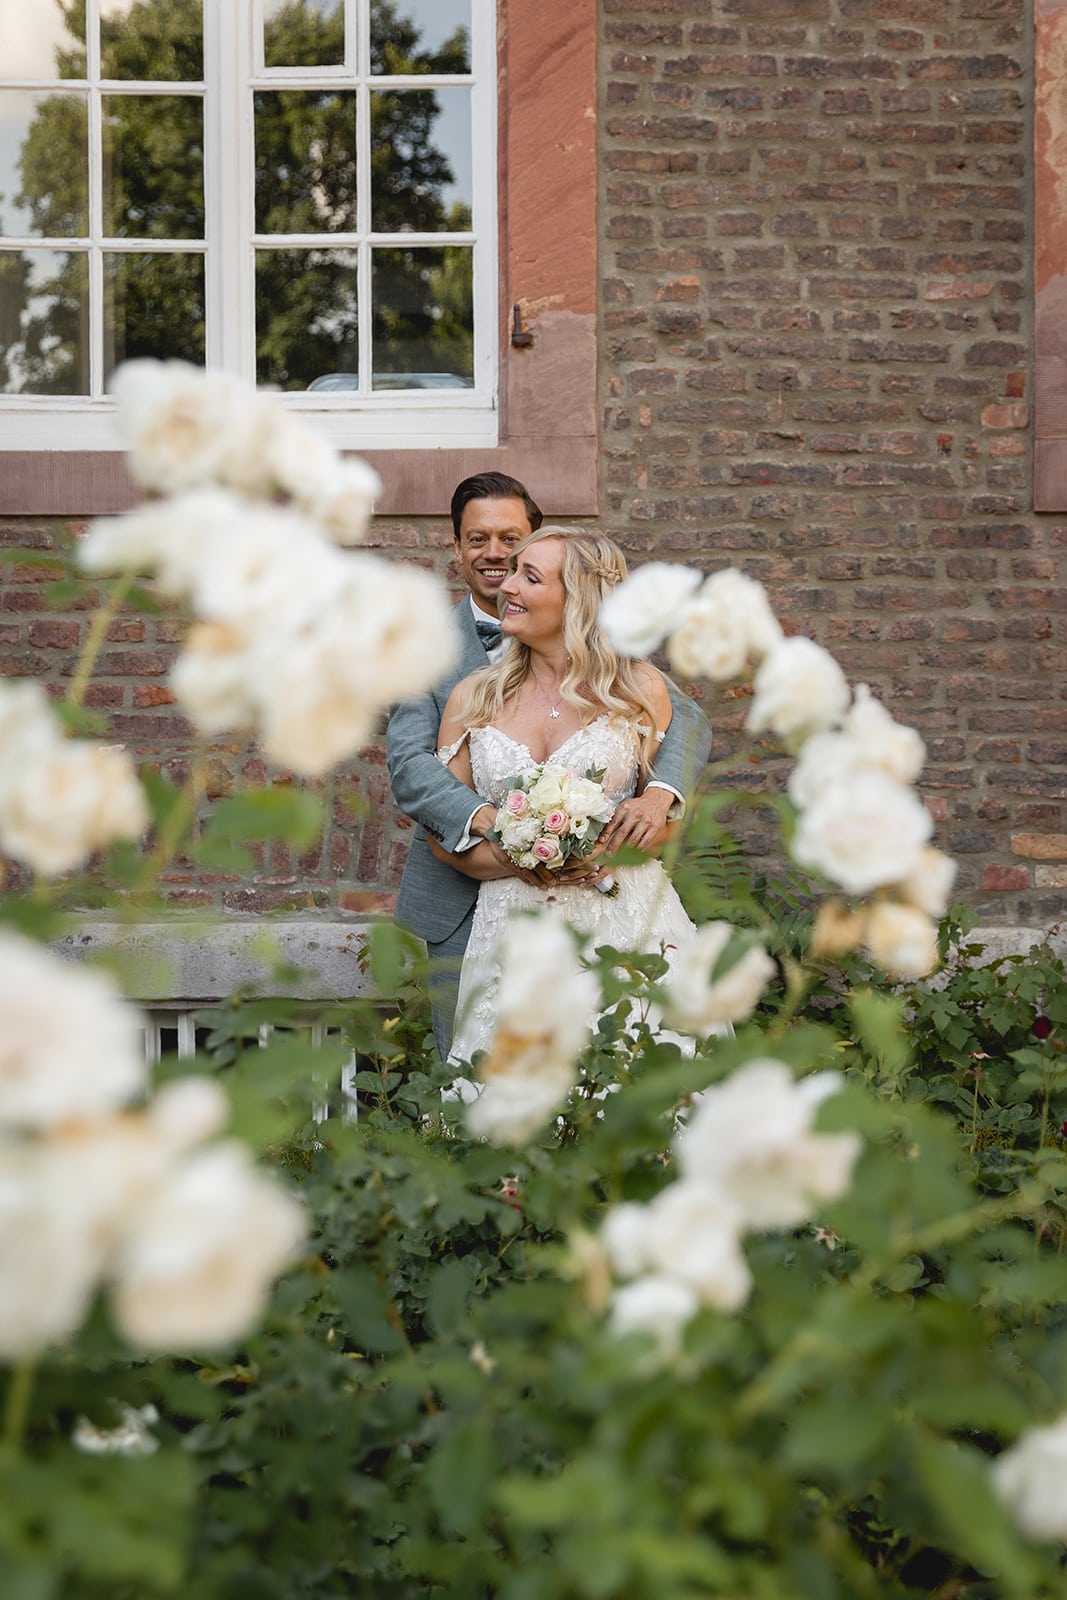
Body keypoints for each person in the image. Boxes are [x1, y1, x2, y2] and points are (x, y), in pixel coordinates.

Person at [386, 474, 711, 1057]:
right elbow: (411, 766)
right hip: (477, 906)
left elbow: (687, 724)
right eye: (476, 539)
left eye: (511, 543)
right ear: (456, 547)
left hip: (614, 913)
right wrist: (509, 832)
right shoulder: (440, 661)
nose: (496, 558)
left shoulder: (631, 681)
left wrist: (660, 793)